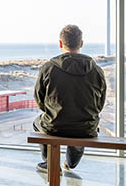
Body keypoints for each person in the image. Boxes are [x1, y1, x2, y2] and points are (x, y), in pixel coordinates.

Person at [33, 24, 107, 173]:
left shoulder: (48, 68)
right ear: (81, 43)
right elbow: (99, 104)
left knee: (37, 123)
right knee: (80, 127)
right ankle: (71, 163)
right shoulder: (96, 70)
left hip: (55, 126)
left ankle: (50, 163)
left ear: (61, 43)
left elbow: (39, 100)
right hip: (85, 128)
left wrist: (53, 111)